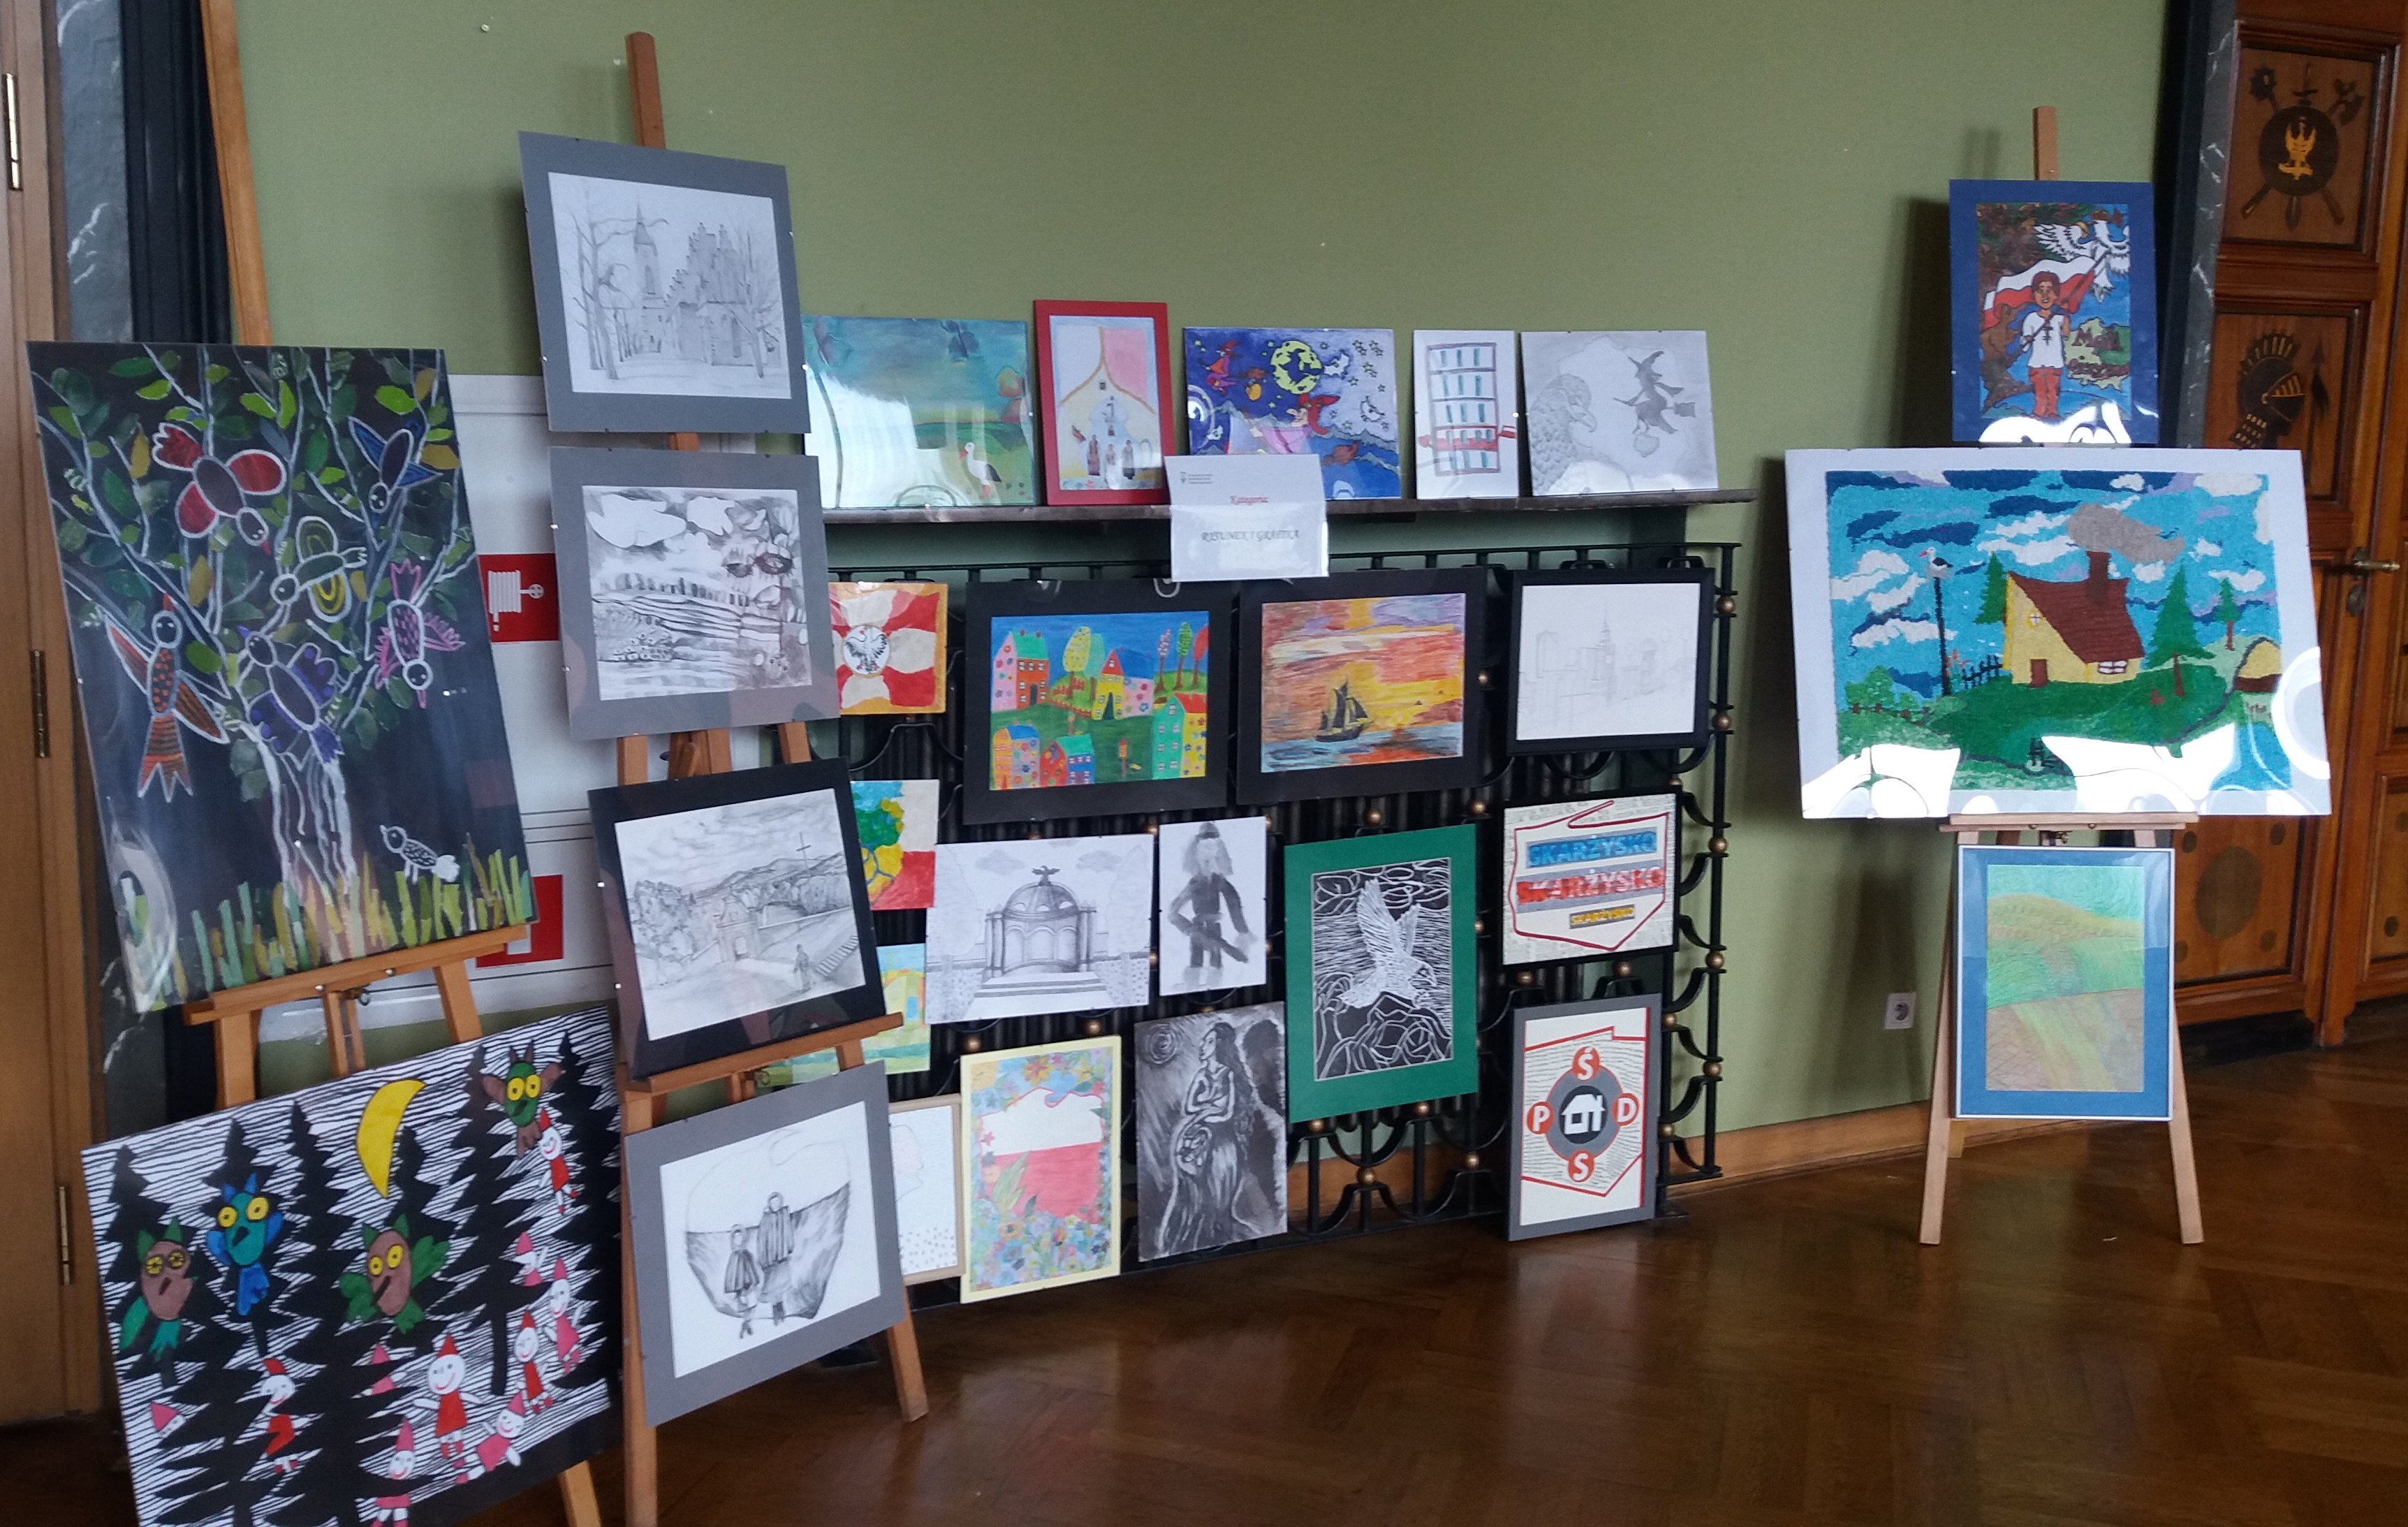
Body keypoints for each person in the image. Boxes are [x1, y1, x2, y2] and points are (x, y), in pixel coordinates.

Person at [1163, 823, 1251, 988]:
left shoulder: (1220, 882)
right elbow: (1172, 912)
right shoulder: (1194, 884)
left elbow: (1234, 905)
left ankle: (1215, 988)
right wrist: (1190, 929)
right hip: (1198, 929)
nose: (1210, 862)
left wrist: (1243, 931)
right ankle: (1192, 987)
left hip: (1214, 929)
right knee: (1196, 962)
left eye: (1214, 858)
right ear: (1197, 858)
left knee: (1216, 962)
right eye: (1205, 858)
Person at [2014, 272, 2071, 422]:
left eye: (2049, 291)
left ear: (2056, 295)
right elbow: (2024, 341)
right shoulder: (2031, 318)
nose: (2045, 295)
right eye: (2040, 291)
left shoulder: (2059, 318)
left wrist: (2066, 311)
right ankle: (2039, 412)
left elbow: (2066, 333)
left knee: (2053, 389)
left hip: (2055, 362)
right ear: (2034, 294)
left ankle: (2052, 411)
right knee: (2039, 390)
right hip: (2037, 362)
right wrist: (2027, 340)